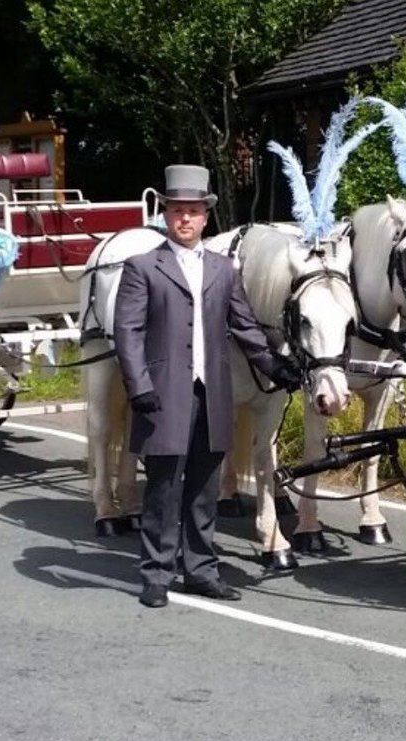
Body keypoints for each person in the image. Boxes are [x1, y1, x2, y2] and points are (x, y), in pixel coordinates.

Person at [114, 165, 301, 609]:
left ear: (205, 218)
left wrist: (275, 367)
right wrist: (138, 384)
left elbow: (245, 326)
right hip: (160, 393)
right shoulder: (143, 266)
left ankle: (200, 570)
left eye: (193, 211)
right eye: (177, 210)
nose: (185, 219)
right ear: (165, 214)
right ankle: (157, 574)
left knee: (204, 486)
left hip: (212, 391)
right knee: (163, 487)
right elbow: (128, 331)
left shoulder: (223, 269)